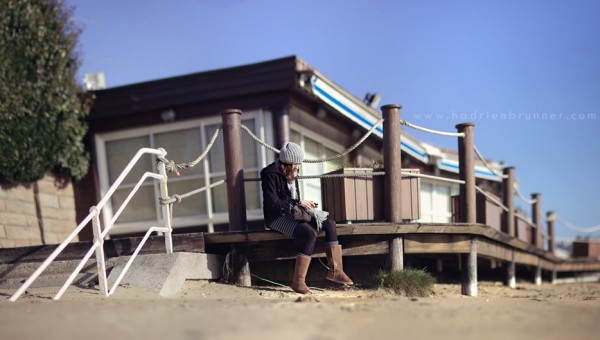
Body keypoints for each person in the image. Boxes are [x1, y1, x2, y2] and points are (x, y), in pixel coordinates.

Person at [260, 142, 353, 294]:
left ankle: (336, 271)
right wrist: (298, 203)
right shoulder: (269, 174)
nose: (298, 166)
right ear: (288, 162)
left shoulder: (291, 172)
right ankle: (298, 282)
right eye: (296, 163)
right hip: (276, 218)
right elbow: (274, 203)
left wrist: (304, 205)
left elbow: (294, 199)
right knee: (310, 233)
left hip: (292, 212)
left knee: (329, 223)